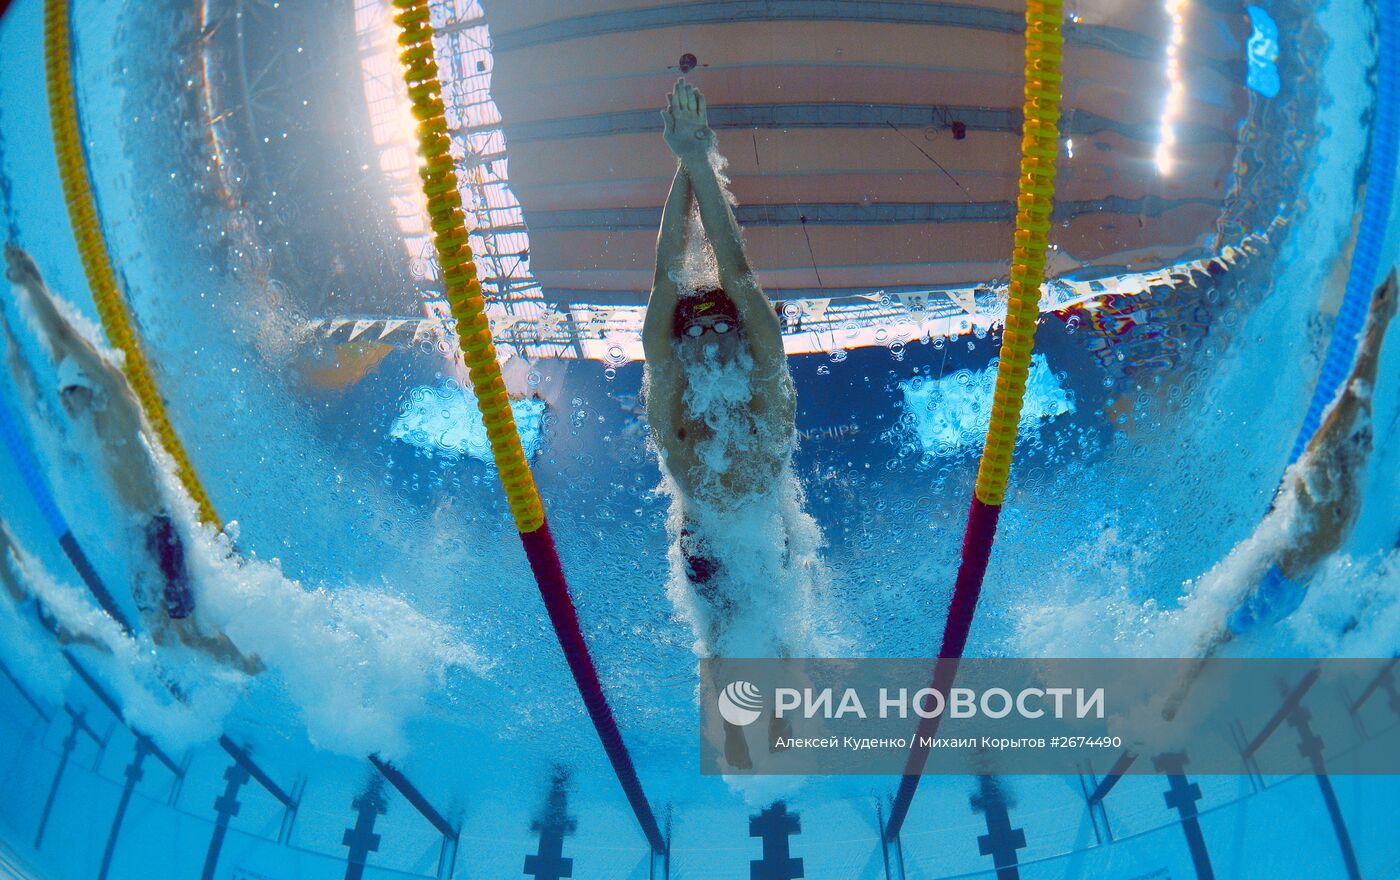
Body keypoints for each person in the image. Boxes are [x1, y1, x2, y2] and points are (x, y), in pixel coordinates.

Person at [641, 80, 801, 768]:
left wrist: (699, 161)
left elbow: (735, 274)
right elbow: (665, 285)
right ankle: (740, 743)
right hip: (702, 534)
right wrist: (685, 161)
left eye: (720, 325)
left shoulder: (767, 384)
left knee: (779, 631)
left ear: (742, 332)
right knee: (723, 639)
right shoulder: (674, 402)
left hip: (765, 529)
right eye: (694, 331)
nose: (707, 337)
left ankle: (790, 731)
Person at [3, 242, 257, 672]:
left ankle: (250, 663)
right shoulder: (87, 421)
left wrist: (29, 282)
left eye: (68, 395)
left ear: (87, 385)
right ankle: (214, 661)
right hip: (136, 538)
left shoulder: (117, 404)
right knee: (160, 635)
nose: (64, 405)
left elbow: (64, 337)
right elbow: (55, 347)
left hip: (160, 529)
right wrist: (32, 283)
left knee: (188, 635)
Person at [1196, 270, 1396, 657]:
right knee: (1222, 635)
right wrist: (1378, 323)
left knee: (1232, 637)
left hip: (1298, 584)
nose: (1368, 439)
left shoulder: (1351, 454)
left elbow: (1361, 399)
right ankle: (1177, 690)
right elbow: (1357, 392)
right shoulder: (1322, 464)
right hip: (1282, 584)